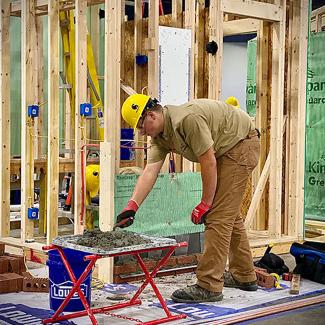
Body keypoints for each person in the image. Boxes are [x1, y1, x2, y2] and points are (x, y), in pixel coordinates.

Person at [116, 94, 260, 303]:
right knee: (228, 214)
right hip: (226, 147)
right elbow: (150, 171)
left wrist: (205, 204)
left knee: (218, 216)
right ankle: (243, 275)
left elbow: (208, 161)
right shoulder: (160, 136)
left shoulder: (187, 120)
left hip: (241, 144)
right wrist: (131, 207)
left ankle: (208, 286)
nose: (141, 132)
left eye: (141, 126)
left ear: (151, 115)